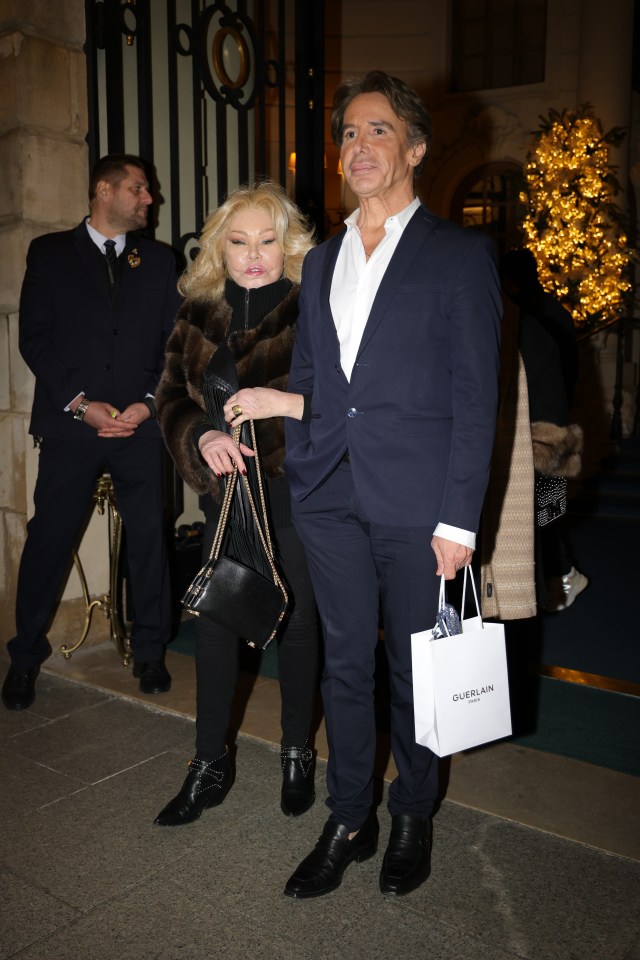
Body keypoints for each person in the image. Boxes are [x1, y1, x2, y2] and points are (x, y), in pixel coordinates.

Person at [226, 71, 502, 899]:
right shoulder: (321, 265)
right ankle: (351, 814)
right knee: (344, 663)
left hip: (422, 506)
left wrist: (460, 518)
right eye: (348, 133)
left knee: (417, 667)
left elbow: (475, 396)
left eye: (378, 131)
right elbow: (321, 381)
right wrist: (292, 420)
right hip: (330, 495)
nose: (359, 146)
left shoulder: (459, 255)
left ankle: (412, 810)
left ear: (414, 148)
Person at [154, 181, 320, 826]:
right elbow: (171, 395)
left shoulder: (318, 309)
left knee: (301, 624)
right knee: (219, 621)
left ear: (290, 244)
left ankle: (297, 750)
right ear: (220, 246)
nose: (254, 255)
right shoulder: (199, 310)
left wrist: (277, 409)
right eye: (240, 240)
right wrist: (201, 434)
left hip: (299, 491)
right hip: (229, 496)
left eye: (268, 240)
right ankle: (208, 762)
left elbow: (346, 401)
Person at [2, 154, 181, 712]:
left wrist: (150, 405)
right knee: (49, 542)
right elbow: (35, 339)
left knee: (151, 542)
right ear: (103, 190)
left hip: (141, 429)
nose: (148, 199)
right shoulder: (50, 253)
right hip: (72, 428)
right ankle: (25, 658)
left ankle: (151, 651)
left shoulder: (158, 259)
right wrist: (82, 407)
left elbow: (174, 344)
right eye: (138, 188)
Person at [500, 248, 587, 612]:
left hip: (538, 430)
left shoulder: (522, 318)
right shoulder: (552, 311)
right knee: (547, 515)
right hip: (552, 421)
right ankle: (560, 577)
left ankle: (562, 576)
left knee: (542, 517)